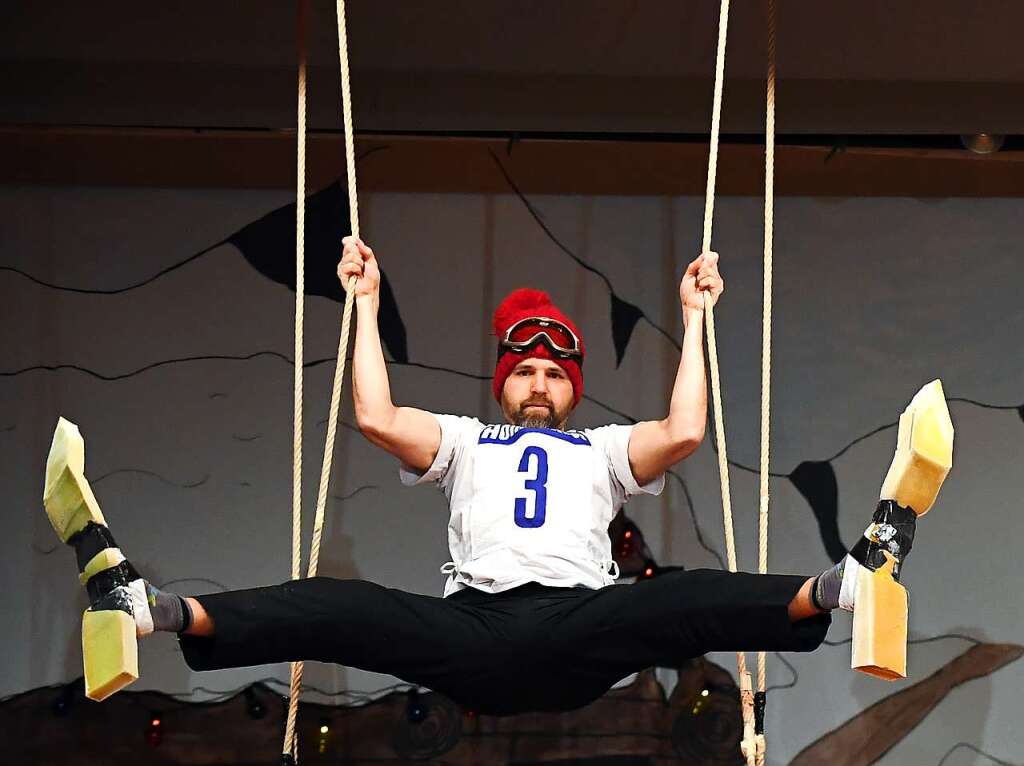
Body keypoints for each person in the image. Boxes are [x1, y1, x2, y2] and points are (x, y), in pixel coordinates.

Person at [48, 236, 906, 716]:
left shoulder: (602, 450)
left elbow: (684, 430)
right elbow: (378, 419)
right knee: (343, 607)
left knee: (674, 598)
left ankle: (842, 588)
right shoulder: (464, 441)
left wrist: (693, 316)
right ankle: (151, 611)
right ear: (503, 381)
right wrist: (364, 305)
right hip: (473, 632)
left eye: (555, 372)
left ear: (573, 388)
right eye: (524, 370)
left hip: (579, 627)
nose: (539, 383)